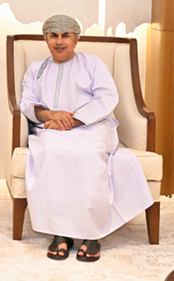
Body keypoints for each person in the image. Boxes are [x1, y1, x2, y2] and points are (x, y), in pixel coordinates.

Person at [19, 15, 153, 262]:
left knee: (87, 154)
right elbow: (26, 103)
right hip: (50, 129)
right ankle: (61, 233)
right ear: (46, 39)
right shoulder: (36, 70)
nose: (59, 42)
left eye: (65, 36)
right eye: (53, 36)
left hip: (92, 126)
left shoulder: (92, 64)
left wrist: (73, 121)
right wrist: (51, 115)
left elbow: (107, 98)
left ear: (76, 40)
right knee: (50, 153)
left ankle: (92, 234)